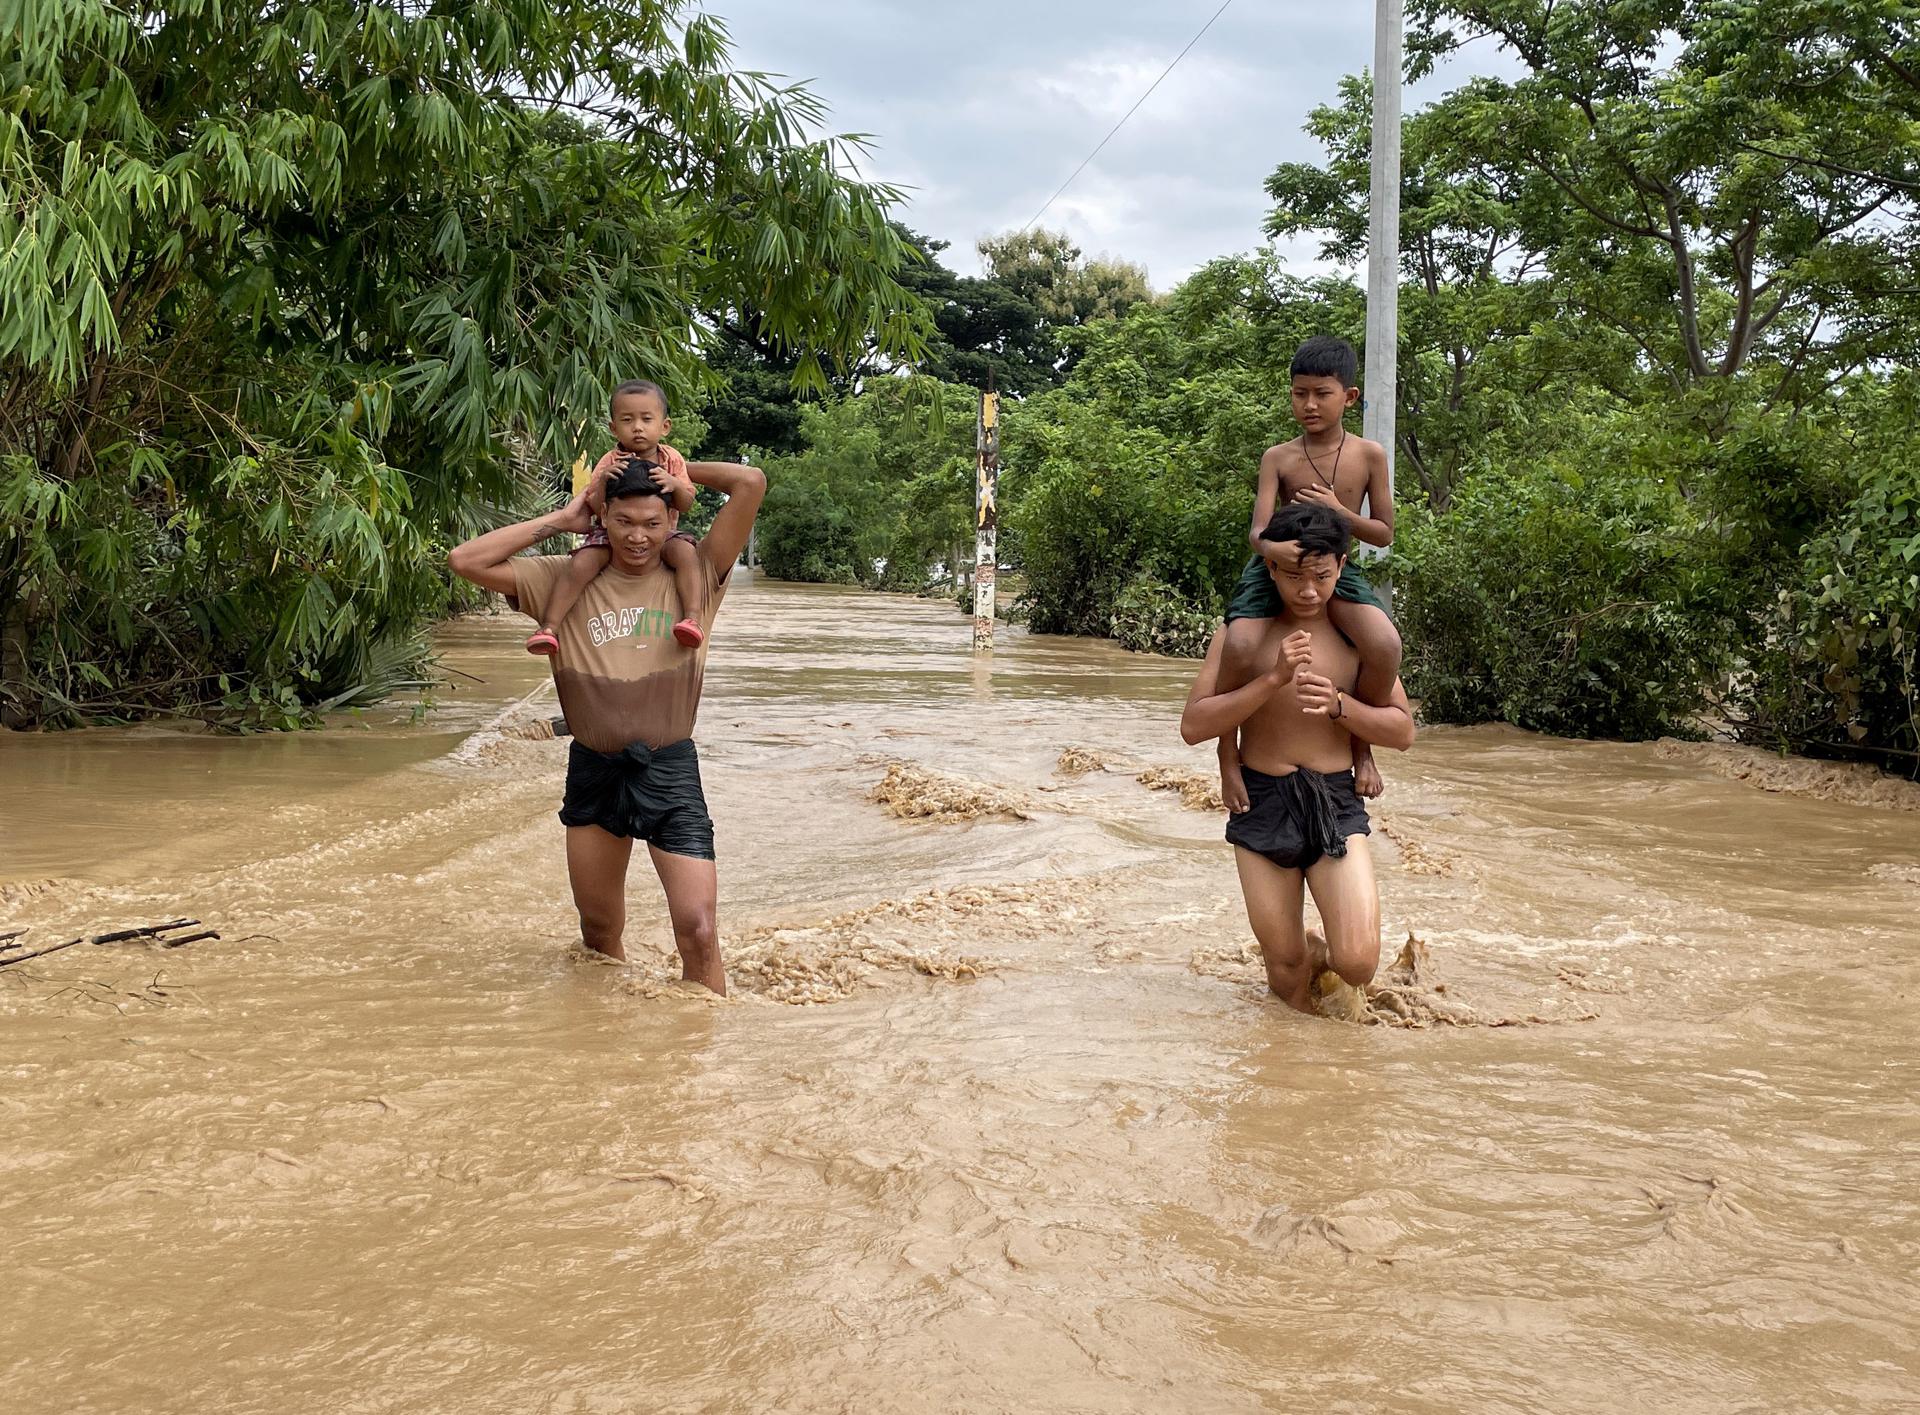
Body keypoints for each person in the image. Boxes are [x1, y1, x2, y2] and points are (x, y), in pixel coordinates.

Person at [449, 452, 766, 995]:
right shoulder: (564, 579)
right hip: (594, 771)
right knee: (598, 930)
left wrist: (673, 467)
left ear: (672, 520)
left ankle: (704, 1037)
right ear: (603, 518)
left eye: (652, 523)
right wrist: (563, 520)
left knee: (698, 929)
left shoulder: (697, 575)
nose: (637, 537)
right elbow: (464, 559)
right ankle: (602, 1034)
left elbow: (750, 482)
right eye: (623, 522)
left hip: (669, 771)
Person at [1181, 502, 1416, 1014]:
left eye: (1322, 577)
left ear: (1342, 565)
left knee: (1358, 963)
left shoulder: (1355, 637)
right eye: (1294, 577)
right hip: (1261, 800)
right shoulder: (1243, 634)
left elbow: (1403, 731)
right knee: (1286, 972)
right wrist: (1272, 679)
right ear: (1271, 567)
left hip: (1334, 800)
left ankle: (1322, 956)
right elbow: (1194, 725)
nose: (1308, 591)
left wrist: (1340, 705)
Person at [1217, 335, 1400, 812]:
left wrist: (1341, 512)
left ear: (1349, 396)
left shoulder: (1369, 455)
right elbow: (1257, 532)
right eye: (1300, 394)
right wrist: (1273, 549)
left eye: (1322, 393)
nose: (1310, 404)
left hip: (1333, 568)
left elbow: (1383, 533)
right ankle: (1228, 757)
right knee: (1239, 645)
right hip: (1276, 566)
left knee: (1384, 644)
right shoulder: (1278, 457)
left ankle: (1362, 749)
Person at [525, 380, 709, 656]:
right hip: (609, 534)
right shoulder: (610, 460)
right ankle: (549, 628)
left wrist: (675, 484)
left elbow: (686, 503)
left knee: (686, 554)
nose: (637, 427)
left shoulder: (671, 459)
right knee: (581, 564)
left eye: (646, 419)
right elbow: (596, 506)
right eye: (627, 420)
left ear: (665, 426)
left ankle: (692, 618)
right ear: (613, 428)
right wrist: (602, 484)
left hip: (663, 534)